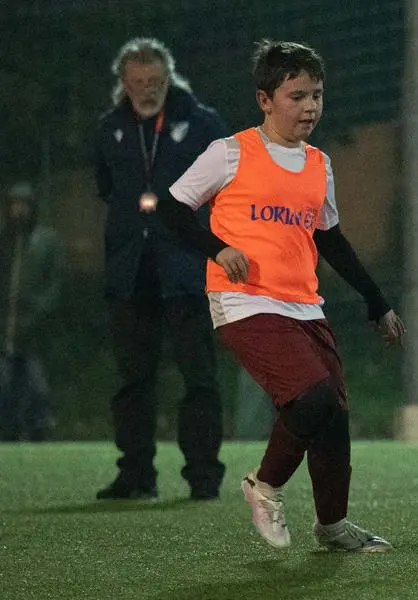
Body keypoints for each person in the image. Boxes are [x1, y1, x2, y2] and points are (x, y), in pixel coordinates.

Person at [157, 40, 406, 552]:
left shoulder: (319, 164)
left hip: (303, 305)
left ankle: (333, 527)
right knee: (311, 395)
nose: (310, 106)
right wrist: (217, 247)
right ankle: (264, 486)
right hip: (244, 301)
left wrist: (375, 300)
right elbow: (173, 208)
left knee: (332, 413)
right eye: (296, 95)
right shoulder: (230, 152)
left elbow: (330, 239)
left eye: (316, 94)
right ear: (265, 100)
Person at [93, 37, 227, 500]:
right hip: (131, 270)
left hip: (186, 269)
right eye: (137, 83)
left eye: (154, 82)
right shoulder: (109, 128)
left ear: (168, 79)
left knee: (199, 377)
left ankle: (204, 477)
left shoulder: (202, 124)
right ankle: (136, 476)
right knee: (133, 380)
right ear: (124, 84)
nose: (146, 91)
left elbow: (224, 188)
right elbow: (107, 187)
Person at [0, 182, 61, 442]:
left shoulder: (46, 241)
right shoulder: (5, 241)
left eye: (23, 205)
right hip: (6, 326)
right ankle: (8, 428)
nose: (18, 210)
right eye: (14, 204)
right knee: (5, 384)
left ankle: (40, 428)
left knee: (36, 384)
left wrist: (38, 311)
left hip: (33, 327)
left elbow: (54, 284)